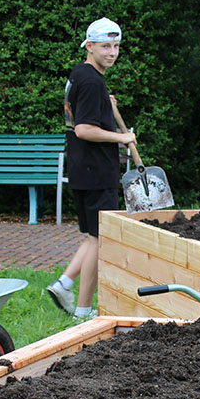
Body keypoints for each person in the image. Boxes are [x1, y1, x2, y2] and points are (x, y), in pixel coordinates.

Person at [46, 17, 139, 320]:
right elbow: (84, 128)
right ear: (89, 46)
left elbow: (82, 113)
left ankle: (65, 283)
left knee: (93, 237)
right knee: (101, 240)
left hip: (82, 168)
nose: (112, 52)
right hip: (97, 171)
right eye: (105, 46)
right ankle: (84, 312)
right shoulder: (91, 81)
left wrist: (104, 104)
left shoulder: (81, 75)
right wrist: (122, 137)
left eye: (116, 46)